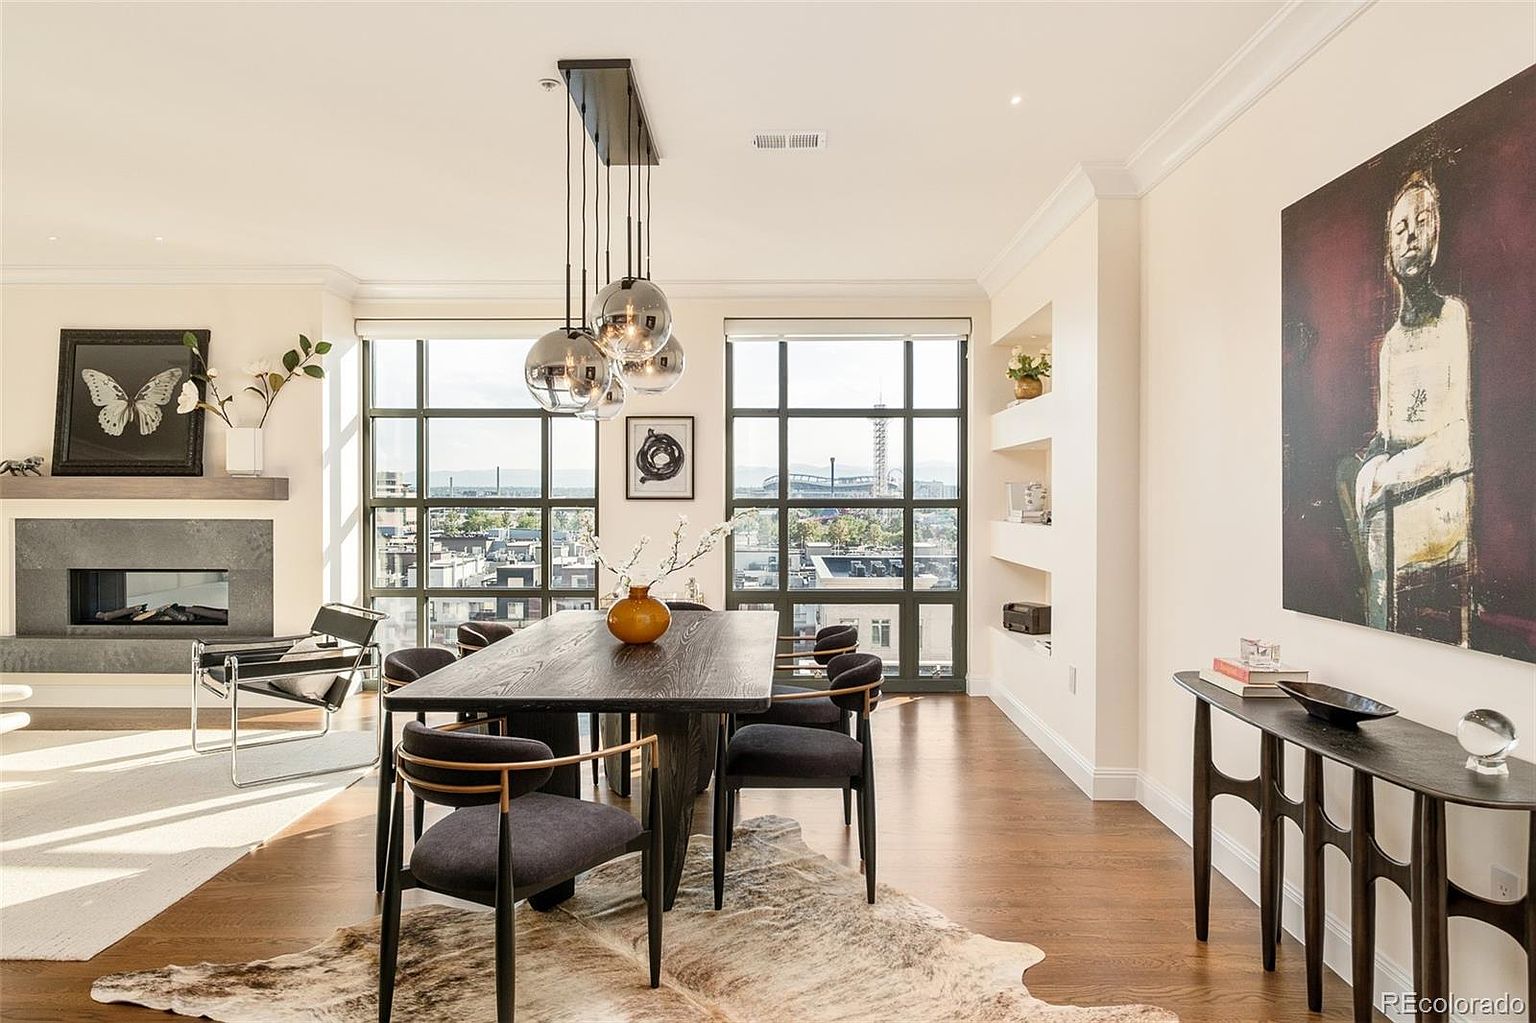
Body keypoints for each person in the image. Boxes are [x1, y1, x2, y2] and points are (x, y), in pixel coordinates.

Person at [1347, 170, 1473, 640]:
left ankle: (1379, 641)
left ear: (1437, 236)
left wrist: (1389, 474)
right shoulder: (1393, 343)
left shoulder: (1452, 317)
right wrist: (1369, 469)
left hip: (1443, 496)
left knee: (1377, 523)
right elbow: (1386, 435)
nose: (1411, 237)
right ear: (1389, 251)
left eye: (1422, 223)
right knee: (1352, 482)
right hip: (1398, 494)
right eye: (1401, 229)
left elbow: (1459, 442)